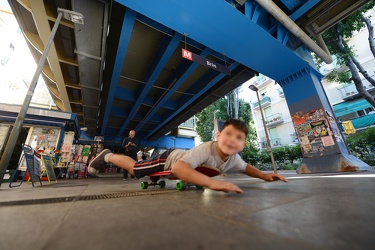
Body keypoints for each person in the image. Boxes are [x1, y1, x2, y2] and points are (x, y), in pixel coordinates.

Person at [88, 119, 287, 193]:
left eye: (238, 138)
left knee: (136, 168)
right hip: (169, 158)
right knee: (136, 169)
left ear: (243, 144)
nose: (232, 140)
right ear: (218, 136)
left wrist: (265, 175)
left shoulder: (234, 158)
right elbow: (178, 169)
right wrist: (212, 183)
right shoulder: (206, 149)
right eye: (228, 134)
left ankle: (107, 156)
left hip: (181, 158)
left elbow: (245, 168)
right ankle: (106, 156)